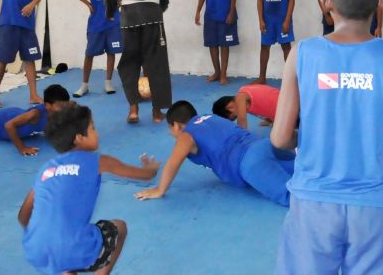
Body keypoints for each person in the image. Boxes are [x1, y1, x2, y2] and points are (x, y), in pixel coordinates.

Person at [271, 0, 383, 275]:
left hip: (313, 204)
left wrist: (311, 138)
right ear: (381, 1)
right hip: (376, 207)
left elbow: (280, 138)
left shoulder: (301, 53)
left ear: (326, 1)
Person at [19, 103, 160, 274]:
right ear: (79, 137)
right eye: (93, 128)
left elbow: (23, 215)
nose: (97, 133)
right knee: (120, 227)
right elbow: (145, 176)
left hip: (36, 250)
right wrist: (151, 168)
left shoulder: (46, 169)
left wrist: (43, 236)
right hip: (74, 248)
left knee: (65, 255)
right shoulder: (98, 161)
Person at [134, 100, 295, 206]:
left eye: (170, 128)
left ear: (176, 125)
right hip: (264, 145)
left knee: (295, 198)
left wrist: (160, 189)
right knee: (309, 174)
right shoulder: (209, 117)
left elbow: (173, 162)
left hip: (250, 163)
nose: (171, 133)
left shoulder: (186, 135)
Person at [70, 0, 123, 98]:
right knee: (89, 54)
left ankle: (108, 83)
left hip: (113, 22)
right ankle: (84, 85)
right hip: (96, 22)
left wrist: (119, 1)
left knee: (112, 52)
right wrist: (87, 3)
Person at [212, 83, 281, 128]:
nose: (237, 116)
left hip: (286, 109)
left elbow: (242, 120)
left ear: (230, 108)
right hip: (283, 102)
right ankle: (271, 120)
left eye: (235, 116)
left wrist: (242, 138)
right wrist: (269, 119)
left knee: (277, 140)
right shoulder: (245, 99)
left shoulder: (240, 97)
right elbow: (262, 104)